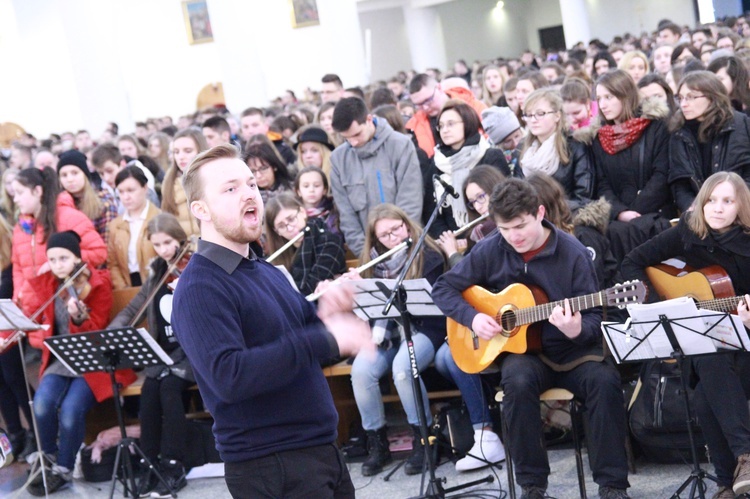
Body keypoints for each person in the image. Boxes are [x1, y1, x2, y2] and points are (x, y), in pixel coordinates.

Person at [171, 144, 371, 498]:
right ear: (200, 209)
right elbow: (229, 376)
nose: (249, 194)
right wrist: (322, 338)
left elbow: (312, 341)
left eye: (250, 184)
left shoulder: (263, 269)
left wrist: (331, 311)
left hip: (319, 451)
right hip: (271, 464)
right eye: (230, 189)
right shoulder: (200, 286)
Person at [431, 177, 630, 499]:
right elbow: (443, 288)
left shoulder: (574, 253)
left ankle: (612, 486)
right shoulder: (491, 248)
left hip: (573, 351)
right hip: (525, 354)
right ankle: (532, 487)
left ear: (539, 213)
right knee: (517, 383)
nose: (514, 237)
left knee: (604, 382)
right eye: (505, 229)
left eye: (520, 226)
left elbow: (595, 319)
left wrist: (576, 329)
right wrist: (473, 317)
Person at [621, 172, 750, 499]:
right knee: (709, 358)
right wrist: (663, 307)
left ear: (742, 207)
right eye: (710, 200)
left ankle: (726, 481)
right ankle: (743, 462)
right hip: (708, 342)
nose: (717, 208)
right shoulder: (688, 232)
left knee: (709, 389)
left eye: (727, 201)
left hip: (746, 346)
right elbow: (632, 263)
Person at [340, 204, 448, 476]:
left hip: (426, 329)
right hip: (388, 335)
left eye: (397, 229)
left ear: (406, 224)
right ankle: (377, 443)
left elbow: (435, 307)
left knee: (402, 368)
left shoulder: (429, 254)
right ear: (376, 240)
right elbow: (370, 317)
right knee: (361, 370)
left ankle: (424, 438)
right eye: (385, 235)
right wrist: (357, 288)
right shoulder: (374, 264)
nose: (394, 238)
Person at [25, 231, 135, 495]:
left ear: (77, 257)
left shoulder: (97, 283)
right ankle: (48, 460)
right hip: (60, 360)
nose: (58, 264)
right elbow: (35, 307)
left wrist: (77, 319)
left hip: (92, 362)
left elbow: (96, 331)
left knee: (72, 410)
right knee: (41, 404)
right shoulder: (51, 283)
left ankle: (62, 469)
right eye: (52, 259)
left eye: (64, 258)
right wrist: (43, 274)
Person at [109, 213, 196, 498]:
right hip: (164, 354)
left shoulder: (194, 266)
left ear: (180, 238)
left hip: (191, 354)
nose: (164, 250)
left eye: (168, 243)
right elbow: (133, 308)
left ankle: (173, 464)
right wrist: (113, 331)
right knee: (149, 394)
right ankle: (149, 464)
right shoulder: (158, 270)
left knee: (170, 390)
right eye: (157, 245)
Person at [592, 69, 673, 264]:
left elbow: (662, 174)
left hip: (656, 214)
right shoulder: (600, 136)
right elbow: (602, 183)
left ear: (625, 94)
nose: (603, 104)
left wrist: (635, 212)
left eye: (609, 97)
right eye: (599, 98)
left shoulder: (655, 126)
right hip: (619, 221)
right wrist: (620, 212)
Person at [329, 97, 423, 256]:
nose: (353, 142)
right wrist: (365, 254)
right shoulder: (339, 159)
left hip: (406, 246)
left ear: (369, 119)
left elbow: (411, 200)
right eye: (347, 138)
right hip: (368, 252)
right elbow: (346, 216)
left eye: (357, 134)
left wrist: (402, 244)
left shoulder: (400, 145)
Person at [11, 168, 107, 312]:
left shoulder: (69, 217)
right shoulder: (21, 228)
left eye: (20, 193)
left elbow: (99, 252)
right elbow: (18, 268)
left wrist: (60, 261)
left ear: (37, 191)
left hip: (63, 303)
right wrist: (18, 297)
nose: (15, 199)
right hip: (32, 308)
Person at [668, 71, 750, 213]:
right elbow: (679, 182)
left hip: (739, 209)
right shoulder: (679, 132)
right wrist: (692, 207)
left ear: (713, 97)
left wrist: (730, 204)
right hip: (698, 212)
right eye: (680, 98)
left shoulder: (741, 125)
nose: (683, 104)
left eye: (691, 97)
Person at [424, 100, 509, 237]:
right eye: (441, 126)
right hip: (453, 239)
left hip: (492, 233)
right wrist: (449, 239)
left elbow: (504, 200)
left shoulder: (490, 156)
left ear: (468, 122)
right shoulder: (437, 163)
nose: (445, 130)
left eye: (451, 124)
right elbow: (431, 213)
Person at [520, 88, 594, 213]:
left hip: (566, 218)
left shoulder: (576, 146)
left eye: (540, 113)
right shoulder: (524, 150)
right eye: (529, 114)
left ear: (557, 116)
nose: (533, 120)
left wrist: (548, 209)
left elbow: (583, 197)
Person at [265, 193, 345, 295]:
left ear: (302, 212)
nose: (290, 228)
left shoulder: (330, 242)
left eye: (291, 219)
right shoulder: (278, 255)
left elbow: (310, 290)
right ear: (277, 231)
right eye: (281, 226)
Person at [436, 165, 504, 267]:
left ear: (494, 189)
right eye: (472, 202)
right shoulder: (479, 233)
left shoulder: (487, 230)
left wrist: (452, 253)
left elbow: (471, 274)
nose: (477, 207)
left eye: (480, 197)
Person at [406, 73, 487, 158]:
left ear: (439, 88)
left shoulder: (474, 106)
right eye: (419, 105)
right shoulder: (415, 126)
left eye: (428, 100)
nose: (425, 107)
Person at [107, 166, 161, 289]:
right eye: (121, 191)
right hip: (128, 285)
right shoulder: (115, 225)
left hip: (156, 284)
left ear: (145, 188)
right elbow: (112, 264)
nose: (126, 197)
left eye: (131, 190)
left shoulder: (160, 218)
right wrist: (123, 288)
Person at [56, 150, 118, 244]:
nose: (70, 179)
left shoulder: (104, 204)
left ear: (85, 174)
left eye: (75, 173)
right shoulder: (57, 205)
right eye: (64, 175)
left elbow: (108, 244)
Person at [160, 128, 208, 237]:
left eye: (188, 151)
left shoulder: (214, 179)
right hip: (183, 251)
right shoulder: (169, 182)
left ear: (201, 151)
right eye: (176, 152)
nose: (180, 157)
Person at [242, 134, 295, 205]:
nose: (258, 175)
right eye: (253, 171)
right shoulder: (246, 198)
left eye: (263, 168)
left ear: (274, 166)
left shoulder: (293, 190)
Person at [295, 166, 339, 235]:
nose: (311, 190)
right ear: (298, 191)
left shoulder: (334, 212)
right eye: (306, 186)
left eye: (316, 185)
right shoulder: (294, 215)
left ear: (325, 190)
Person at [481, 106, 524, 176]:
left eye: (517, 136)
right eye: (508, 141)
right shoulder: (491, 161)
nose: (515, 143)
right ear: (499, 145)